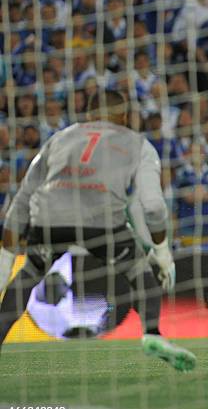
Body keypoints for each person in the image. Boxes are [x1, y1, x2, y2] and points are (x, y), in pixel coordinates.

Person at [0, 90, 196, 371]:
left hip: (48, 219)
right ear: (126, 116)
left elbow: (23, 196)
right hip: (102, 222)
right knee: (140, 272)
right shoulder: (139, 145)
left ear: (88, 116)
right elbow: (153, 206)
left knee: (29, 275)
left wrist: (6, 259)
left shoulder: (59, 138)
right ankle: (152, 333)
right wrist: (162, 252)